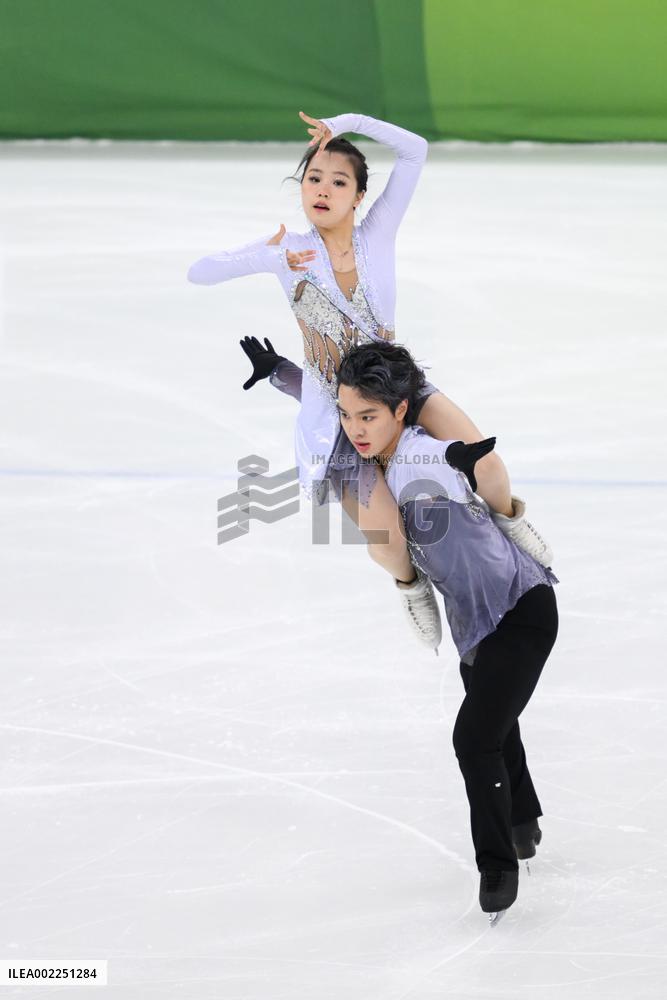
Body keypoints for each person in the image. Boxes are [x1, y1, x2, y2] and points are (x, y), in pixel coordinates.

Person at [188, 110, 552, 649]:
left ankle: (510, 525)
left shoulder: (377, 235)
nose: (322, 189)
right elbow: (200, 271)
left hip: (401, 387)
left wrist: (348, 122)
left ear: (359, 196)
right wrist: (266, 252)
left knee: (487, 464)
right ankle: (410, 586)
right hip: (338, 416)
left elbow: (415, 150)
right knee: (387, 538)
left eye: (339, 182)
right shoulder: (290, 255)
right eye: (313, 178)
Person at [334, 341, 559, 923]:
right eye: (347, 415)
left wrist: (460, 456)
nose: (355, 429)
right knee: (498, 725)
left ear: (399, 410)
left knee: (474, 739)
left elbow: (443, 457)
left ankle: (497, 867)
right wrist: (282, 375)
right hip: (475, 626)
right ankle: (524, 822)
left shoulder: (414, 456)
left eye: (369, 416)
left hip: (520, 610)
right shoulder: (379, 461)